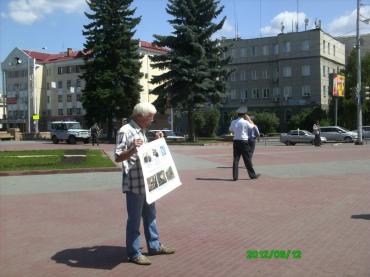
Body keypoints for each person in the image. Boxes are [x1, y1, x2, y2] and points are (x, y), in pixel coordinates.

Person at [115, 102, 175, 265]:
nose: (152, 120)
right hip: (135, 184)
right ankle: (134, 253)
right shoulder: (125, 131)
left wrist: (158, 142)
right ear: (140, 117)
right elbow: (118, 157)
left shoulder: (142, 131)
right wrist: (132, 149)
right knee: (134, 219)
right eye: (150, 117)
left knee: (151, 216)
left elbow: (147, 155)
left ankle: (154, 246)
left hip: (148, 182)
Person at [229, 106, 260, 181]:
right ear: (244, 115)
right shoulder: (245, 122)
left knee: (236, 159)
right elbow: (253, 126)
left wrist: (236, 132)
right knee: (247, 159)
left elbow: (230, 130)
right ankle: (252, 175)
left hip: (236, 141)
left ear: (238, 114)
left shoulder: (233, 122)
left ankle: (235, 177)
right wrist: (249, 119)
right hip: (244, 142)